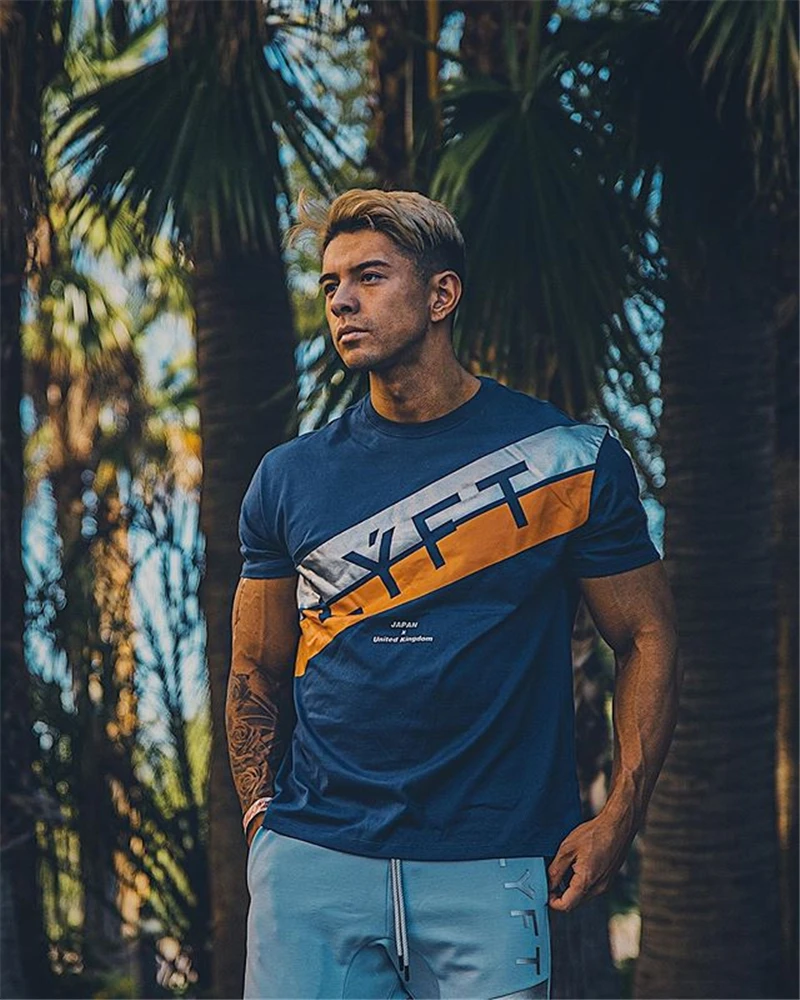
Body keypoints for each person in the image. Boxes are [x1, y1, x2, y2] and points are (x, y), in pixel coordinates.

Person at [228, 189, 680, 1000]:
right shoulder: (288, 478)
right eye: (330, 284)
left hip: (490, 865)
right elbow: (255, 667)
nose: (341, 301)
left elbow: (646, 635)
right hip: (313, 867)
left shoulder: (565, 459)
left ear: (442, 295)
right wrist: (264, 823)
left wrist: (622, 812)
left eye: (369, 276)